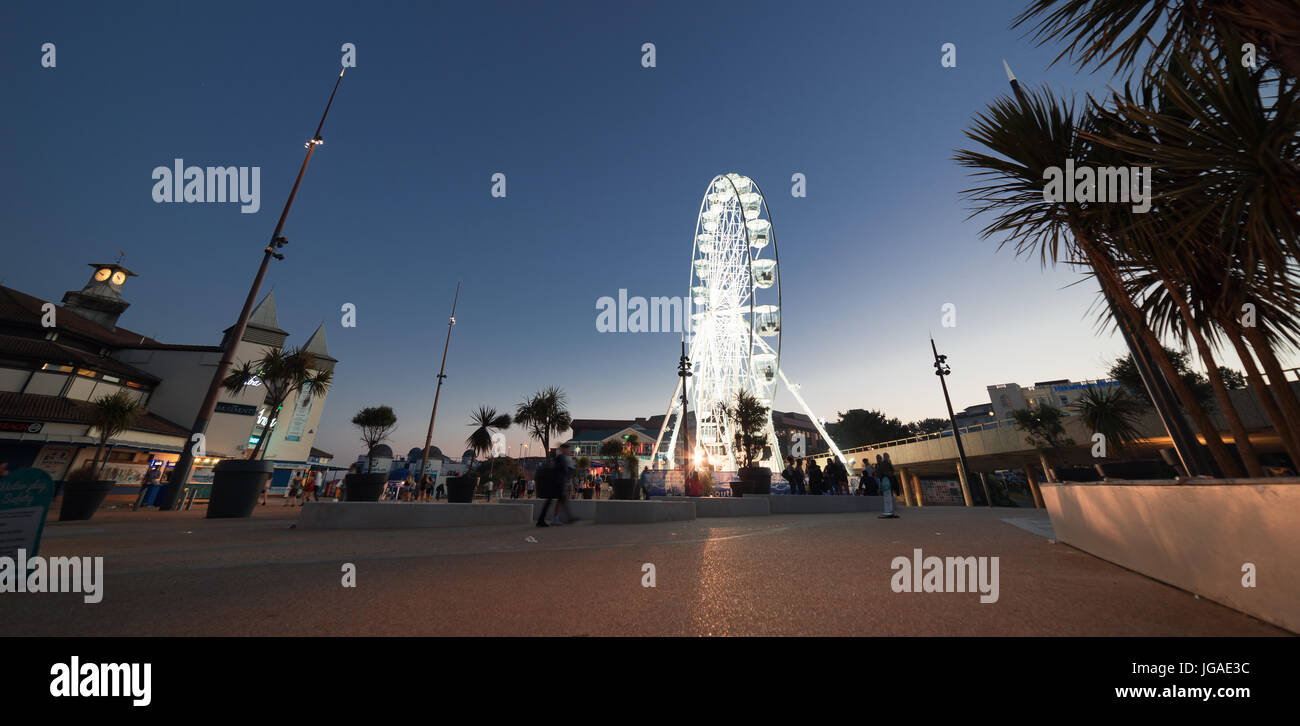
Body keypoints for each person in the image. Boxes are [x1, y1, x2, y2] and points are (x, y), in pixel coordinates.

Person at [537, 445, 579, 527]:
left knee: (557, 500)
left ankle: (543, 520)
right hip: (556, 483)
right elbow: (562, 471)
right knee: (558, 500)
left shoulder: (561, 458)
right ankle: (566, 518)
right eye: (567, 449)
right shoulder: (561, 458)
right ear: (563, 449)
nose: (569, 451)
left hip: (556, 483)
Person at [877, 453, 899, 518]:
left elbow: (892, 471)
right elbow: (881, 473)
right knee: (887, 496)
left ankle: (889, 511)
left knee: (889, 496)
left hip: (887, 481)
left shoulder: (886, 463)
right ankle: (888, 511)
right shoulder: (883, 464)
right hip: (886, 481)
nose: (887, 457)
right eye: (886, 456)